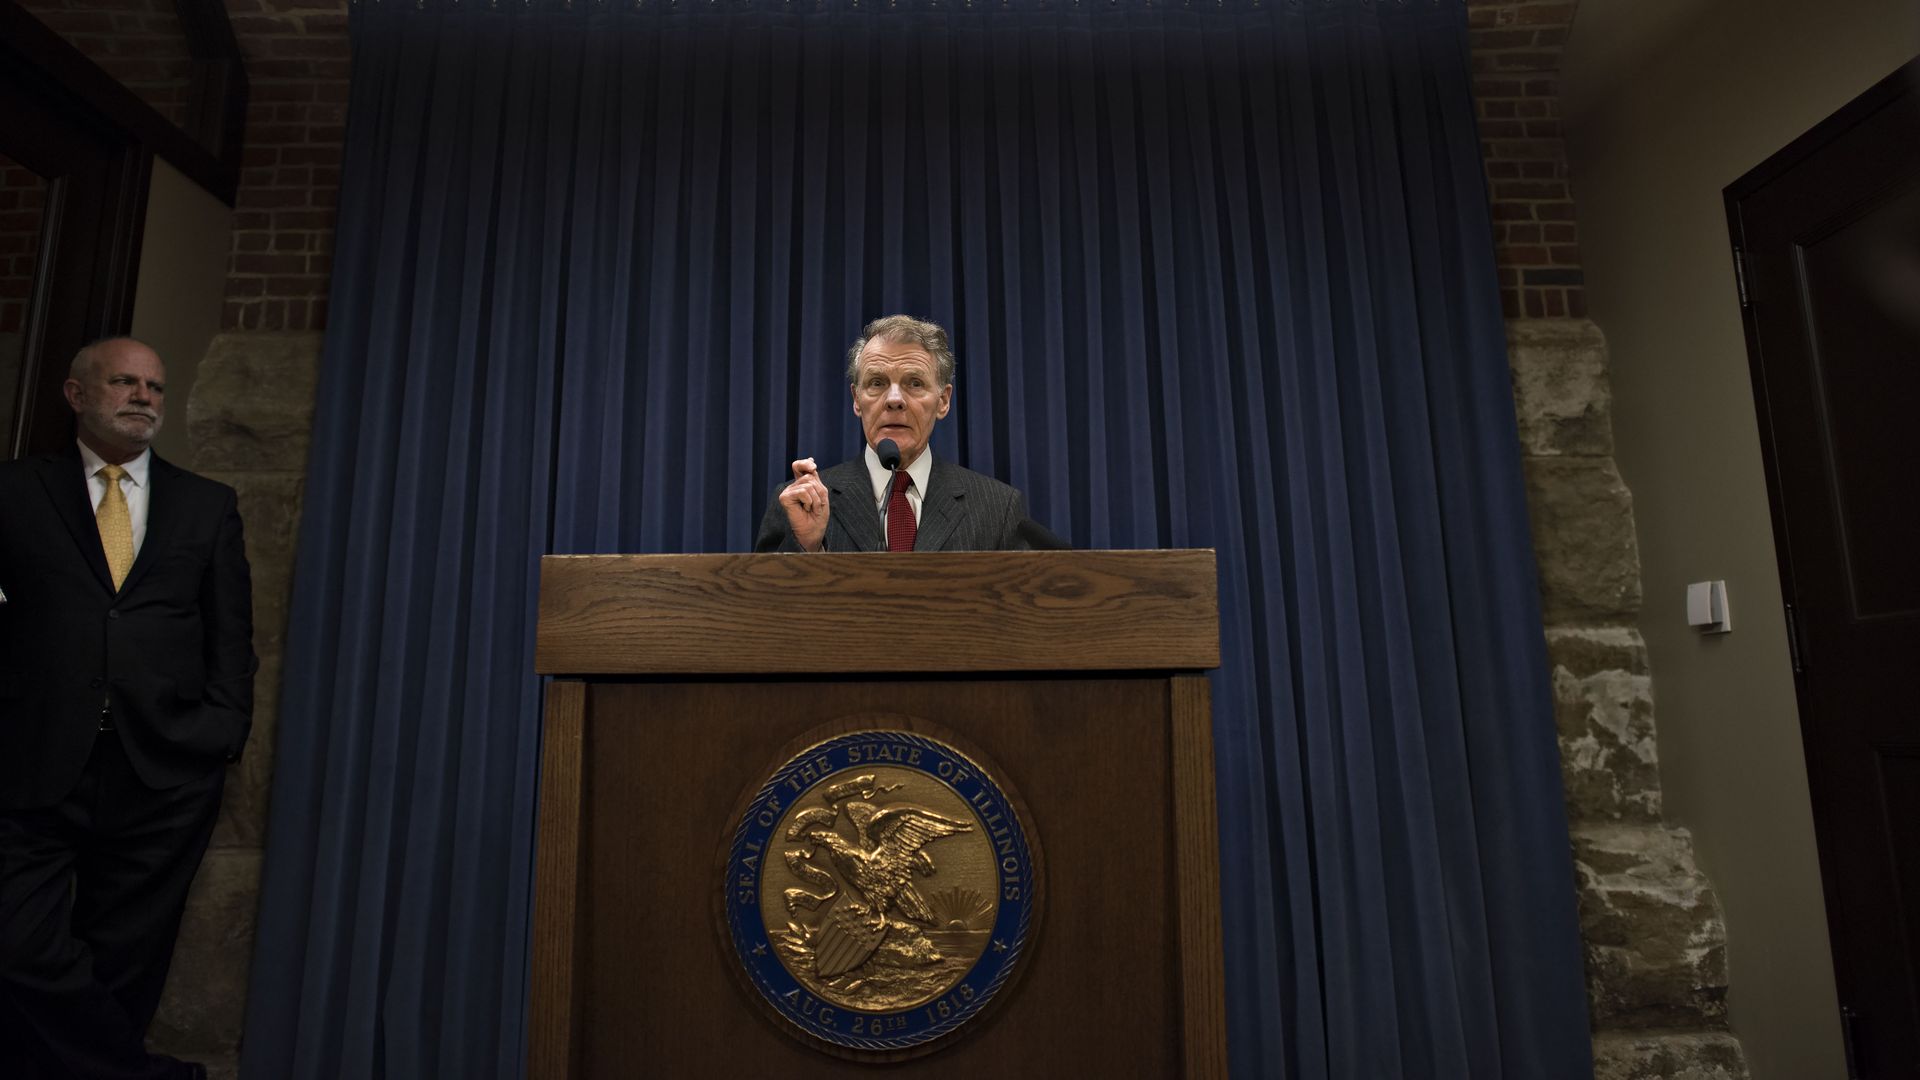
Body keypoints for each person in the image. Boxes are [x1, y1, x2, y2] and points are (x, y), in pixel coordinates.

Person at [0, 338, 254, 1080]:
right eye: (123, 381)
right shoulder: (14, 492)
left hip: (164, 769)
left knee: (126, 960)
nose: (143, 396)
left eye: (154, 387)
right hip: (29, 760)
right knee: (18, 947)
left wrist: (221, 734)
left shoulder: (208, 505)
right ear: (77, 394)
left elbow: (230, 639)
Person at [755, 315, 1047, 553]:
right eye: (878, 382)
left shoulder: (998, 508)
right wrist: (807, 546)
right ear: (857, 400)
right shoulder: (799, 503)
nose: (894, 399)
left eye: (915, 383)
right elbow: (762, 613)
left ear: (943, 401)